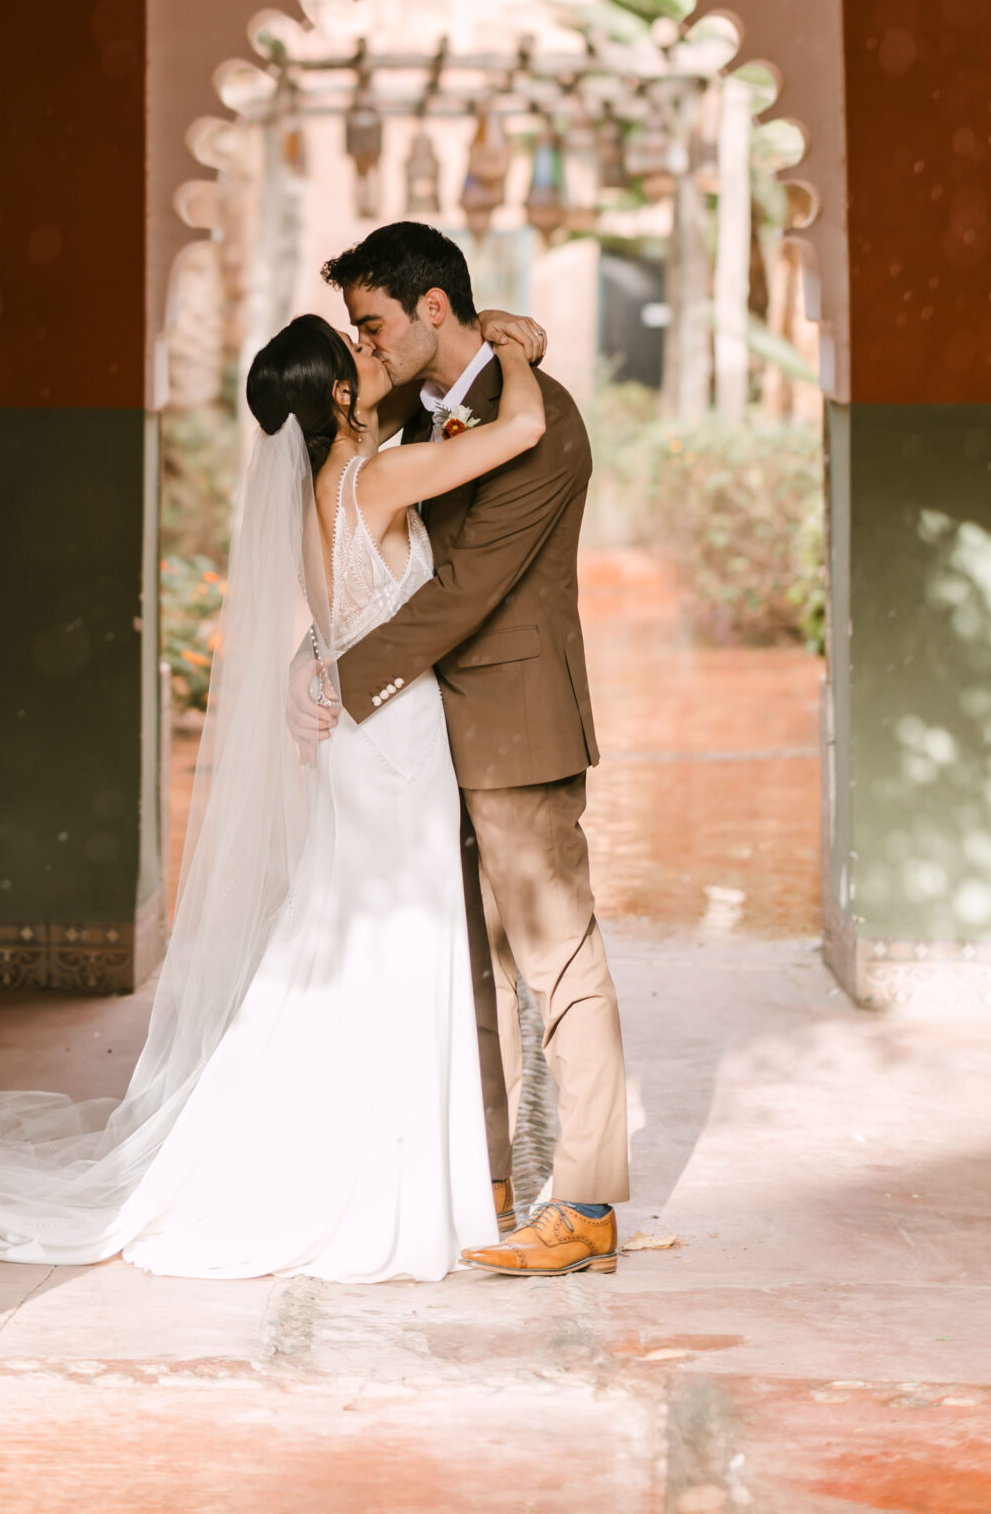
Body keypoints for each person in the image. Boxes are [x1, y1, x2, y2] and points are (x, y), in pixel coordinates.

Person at [0, 303, 552, 1283]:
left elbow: (345, 617)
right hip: (394, 747)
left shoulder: (323, 490)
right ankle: (380, 1174)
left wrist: (306, 662)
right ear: (337, 394)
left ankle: (378, 1158)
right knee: (394, 943)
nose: (371, 359)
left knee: (356, 943)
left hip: (366, 742)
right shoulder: (374, 478)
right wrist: (516, 349)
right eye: (356, 356)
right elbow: (527, 432)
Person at [297, 221, 629, 1283]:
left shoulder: (546, 423)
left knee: (556, 963)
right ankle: (481, 1177)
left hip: (516, 729)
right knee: (470, 971)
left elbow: (462, 590)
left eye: (375, 323)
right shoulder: (425, 405)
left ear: (429, 309)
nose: (366, 345)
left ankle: (583, 1201)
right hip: (431, 739)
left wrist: (338, 680)